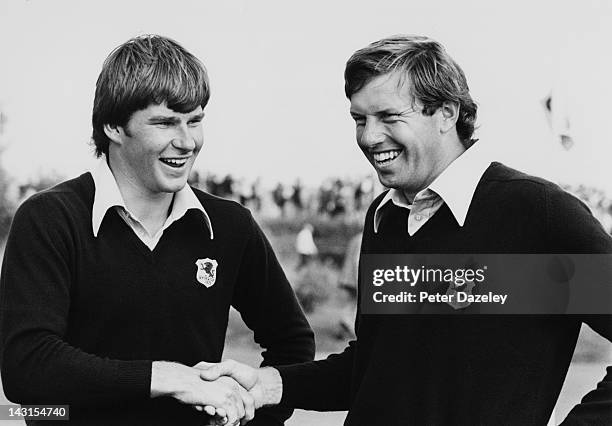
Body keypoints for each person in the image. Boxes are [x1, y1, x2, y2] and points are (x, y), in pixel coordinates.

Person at [198, 35, 612, 425]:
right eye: (359, 119)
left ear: (447, 113)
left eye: (389, 117)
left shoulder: (538, 214)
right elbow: (377, 368)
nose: (369, 137)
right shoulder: (385, 216)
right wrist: (271, 384)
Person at [0, 35, 314, 425]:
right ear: (114, 125)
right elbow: (27, 366)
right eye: (165, 122)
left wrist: (258, 417)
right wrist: (169, 378)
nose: (186, 141)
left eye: (195, 120)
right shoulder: (49, 218)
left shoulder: (231, 226)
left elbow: (292, 342)